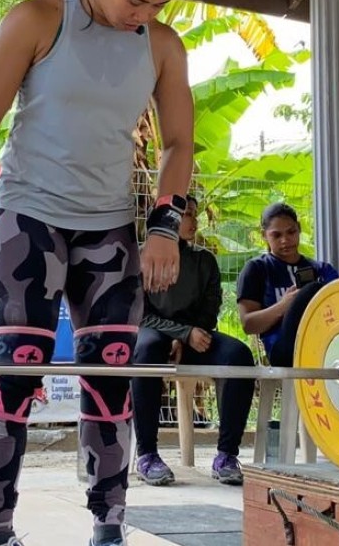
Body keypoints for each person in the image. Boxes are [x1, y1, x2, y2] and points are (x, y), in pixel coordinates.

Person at [0, 0, 194, 546]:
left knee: (110, 380)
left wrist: (164, 226)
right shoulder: (36, 19)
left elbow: (178, 144)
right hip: (31, 219)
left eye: (159, 4)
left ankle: (108, 527)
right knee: (16, 372)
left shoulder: (162, 46)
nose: (143, 13)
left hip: (109, 228)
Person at [131, 195, 255, 487]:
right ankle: (147, 454)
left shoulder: (204, 261)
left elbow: (209, 309)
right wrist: (179, 334)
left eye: (194, 214)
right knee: (147, 348)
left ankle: (226, 455)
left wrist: (191, 335)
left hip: (194, 336)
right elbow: (138, 314)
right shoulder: (140, 257)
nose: (193, 220)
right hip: (154, 333)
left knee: (238, 355)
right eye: (186, 214)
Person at [236, 203, 339, 367]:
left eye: (291, 232)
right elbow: (248, 324)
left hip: (326, 343)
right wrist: (283, 306)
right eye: (277, 235)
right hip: (284, 350)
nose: (285, 240)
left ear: (299, 229)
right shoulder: (256, 269)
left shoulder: (322, 269)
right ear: (264, 235)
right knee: (312, 290)